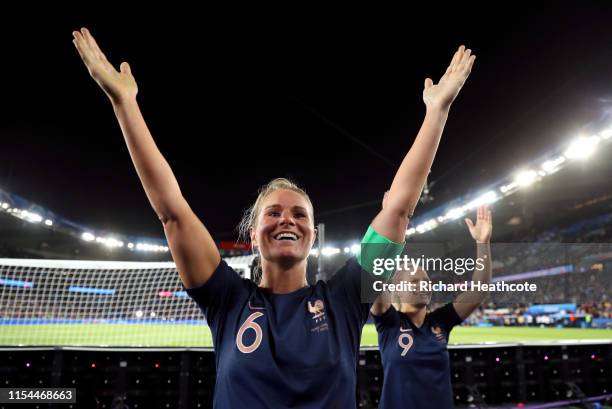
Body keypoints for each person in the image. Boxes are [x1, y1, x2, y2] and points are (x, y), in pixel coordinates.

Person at [72, 27, 475, 408]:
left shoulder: (346, 296)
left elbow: (399, 208)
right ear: (252, 231)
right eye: (274, 213)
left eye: (300, 214)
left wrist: (437, 111)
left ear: (312, 236)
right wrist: (124, 103)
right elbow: (172, 211)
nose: (288, 220)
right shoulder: (226, 298)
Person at [371, 205, 493, 409]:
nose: (424, 285)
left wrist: (483, 243)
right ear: (397, 289)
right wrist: (390, 223)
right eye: (415, 282)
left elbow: (479, 291)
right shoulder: (388, 321)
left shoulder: (441, 321)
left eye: (426, 280)